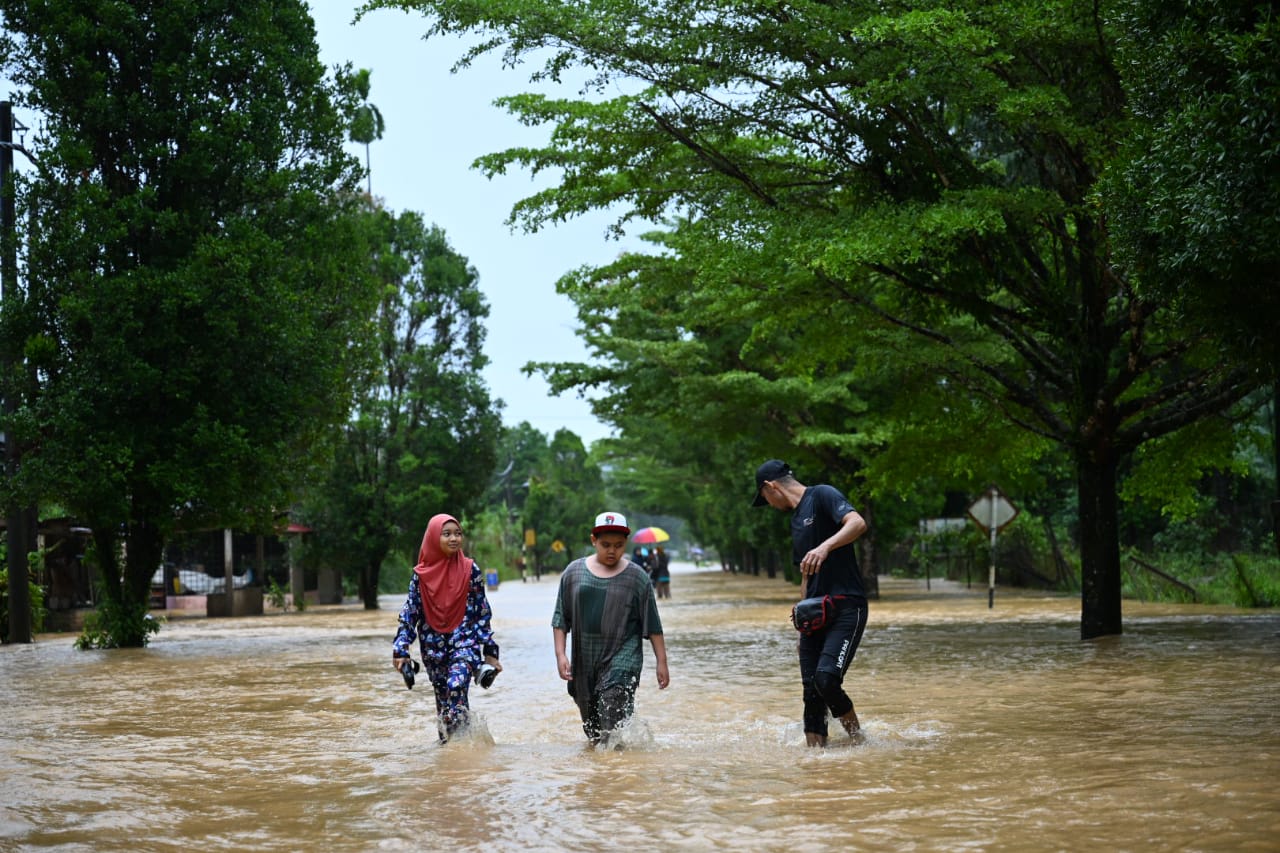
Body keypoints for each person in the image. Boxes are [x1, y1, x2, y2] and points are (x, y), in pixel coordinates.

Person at [752, 459, 869, 748]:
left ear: (771, 487)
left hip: (846, 606)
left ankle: (860, 742)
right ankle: (815, 761)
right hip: (814, 613)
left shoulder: (822, 494)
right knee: (811, 691)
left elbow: (857, 522)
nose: (768, 503)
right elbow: (806, 572)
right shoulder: (795, 520)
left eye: (764, 497)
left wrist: (826, 545)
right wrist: (801, 626)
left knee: (827, 680)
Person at [552, 511, 670, 747]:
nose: (612, 551)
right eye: (605, 545)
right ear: (593, 540)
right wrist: (560, 654)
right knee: (595, 731)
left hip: (623, 657)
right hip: (585, 658)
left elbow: (653, 623)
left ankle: (617, 777)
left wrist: (661, 661)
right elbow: (560, 617)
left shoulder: (637, 578)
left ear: (625, 543)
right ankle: (604, 775)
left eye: (618, 545)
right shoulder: (574, 573)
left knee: (613, 705)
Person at [393, 513, 502, 743]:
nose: (454, 538)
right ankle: (457, 755)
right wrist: (401, 650)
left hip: (465, 643)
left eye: (458, 533)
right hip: (434, 651)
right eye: (447, 534)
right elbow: (410, 614)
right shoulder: (420, 577)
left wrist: (490, 653)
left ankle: (461, 748)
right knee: (446, 706)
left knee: (456, 685)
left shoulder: (470, 570)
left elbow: (482, 612)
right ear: (434, 538)